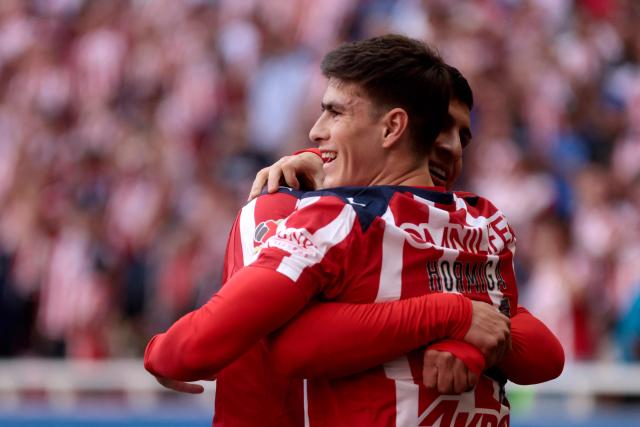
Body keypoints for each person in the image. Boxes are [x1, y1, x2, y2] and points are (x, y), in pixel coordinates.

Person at [143, 35, 549, 426]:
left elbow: (260, 347)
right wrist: (454, 318)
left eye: (334, 112)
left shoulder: (341, 217)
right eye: (443, 129)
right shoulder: (483, 223)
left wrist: (160, 353)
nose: (453, 148)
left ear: (393, 129)